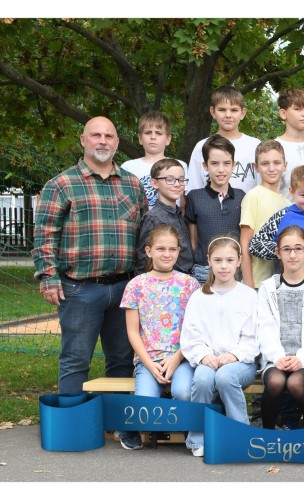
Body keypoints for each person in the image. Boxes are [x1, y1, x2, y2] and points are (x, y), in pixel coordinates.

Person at [33, 116, 147, 394]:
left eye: (109, 136)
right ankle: (72, 418)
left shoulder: (132, 185)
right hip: (79, 289)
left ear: (117, 143)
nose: (102, 141)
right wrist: (48, 277)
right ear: (83, 140)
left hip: (124, 288)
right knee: (75, 360)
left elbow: (144, 234)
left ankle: (116, 416)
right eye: (96, 135)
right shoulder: (61, 184)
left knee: (122, 360)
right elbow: (45, 234)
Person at [118, 224, 201, 451]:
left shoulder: (190, 284)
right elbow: (133, 331)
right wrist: (148, 364)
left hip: (181, 357)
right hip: (149, 360)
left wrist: (177, 357)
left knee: (183, 392)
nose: (167, 254)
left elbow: (196, 329)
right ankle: (130, 428)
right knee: (146, 403)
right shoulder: (136, 285)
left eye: (172, 249)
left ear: (179, 251)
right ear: (148, 251)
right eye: (161, 249)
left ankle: (189, 427)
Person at [180, 236, 259, 459]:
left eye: (229, 260)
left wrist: (234, 354)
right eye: (218, 260)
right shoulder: (199, 297)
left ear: (239, 260)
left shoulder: (249, 296)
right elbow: (190, 335)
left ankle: (240, 436)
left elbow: (253, 336)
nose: (224, 266)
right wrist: (204, 355)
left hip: (240, 362)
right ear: (209, 261)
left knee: (225, 377)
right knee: (202, 379)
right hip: (208, 359)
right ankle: (198, 439)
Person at [257, 226, 304, 429]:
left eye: (298, 248)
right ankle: (267, 437)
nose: (292, 255)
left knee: (295, 383)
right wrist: (277, 356)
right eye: (287, 249)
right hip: (276, 359)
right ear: (278, 252)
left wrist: (301, 357)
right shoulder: (267, 288)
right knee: (275, 382)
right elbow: (264, 327)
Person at [249, 164, 304, 281]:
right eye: (303, 195)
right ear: (292, 191)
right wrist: (285, 250)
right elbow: (255, 245)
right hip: (290, 285)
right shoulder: (283, 216)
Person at [184, 135, 246, 283]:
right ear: (205, 165)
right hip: (203, 269)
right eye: (214, 163)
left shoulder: (242, 196)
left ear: (233, 165)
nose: (221, 169)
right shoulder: (194, 197)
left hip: (234, 269)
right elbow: (193, 240)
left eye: (226, 163)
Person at [186, 85, 261, 194]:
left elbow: (263, 186)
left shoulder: (255, 146)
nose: (228, 115)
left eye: (234, 110)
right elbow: (194, 188)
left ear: (243, 113)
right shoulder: (201, 146)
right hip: (209, 205)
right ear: (213, 112)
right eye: (222, 110)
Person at [239, 139, 289, 288]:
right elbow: (245, 244)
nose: (271, 168)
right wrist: (248, 285)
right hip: (256, 282)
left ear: (285, 165)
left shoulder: (288, 204)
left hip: (280, 283)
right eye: (265, 163)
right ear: (256, 167)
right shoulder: (253, 197)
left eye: (277, 163)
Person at [135, 158, 194, 275]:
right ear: (155, 183)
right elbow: (143, 259)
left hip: (187, 279)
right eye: (169, 180)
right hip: (164, 280)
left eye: (181, 180)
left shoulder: (181, 216)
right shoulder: (153, 218)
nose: (177, 184)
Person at [119, 111, 186, 210]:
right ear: (140, 138)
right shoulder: (128, 167)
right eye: (148, 133)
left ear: (168, 139)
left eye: (159, 133)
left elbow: (184, 202)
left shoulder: (180, 165)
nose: (153, 137)